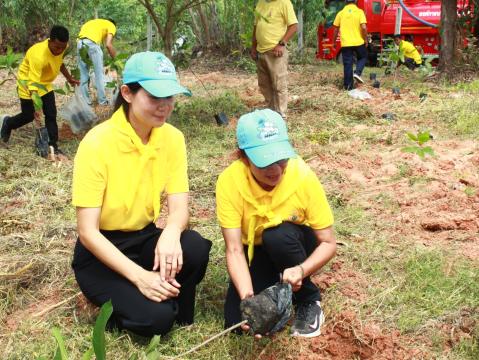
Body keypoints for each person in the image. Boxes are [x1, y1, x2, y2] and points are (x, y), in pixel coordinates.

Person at [71, 51, 211, 337]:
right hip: (100, 252)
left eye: (170, 97)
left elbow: (179, 207)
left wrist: (171, 233)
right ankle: (126, 305)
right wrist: (141, 278)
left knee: (194, 246)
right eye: (154, 98)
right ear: (127, 93)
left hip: (143, 236)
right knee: (157, 321)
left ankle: (168, 303)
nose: (164, 107)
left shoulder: (172, 138)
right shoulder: (97, 143)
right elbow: (88, 232)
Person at [216, 109, 336, 338]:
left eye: (280, 159)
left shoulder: (302, 177)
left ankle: (309, 300)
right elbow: (233, 249)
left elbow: (328, 242)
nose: (275, 169)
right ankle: (278, 287)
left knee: (277, 236)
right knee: (239, 323)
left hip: (292, 242)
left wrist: (301, 269)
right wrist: (248, 299)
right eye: (264, 161)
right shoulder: (229, 182)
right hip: (255, 249)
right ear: (243, 157)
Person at [0, 25, 79, 155]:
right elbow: (33, 83)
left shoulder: (62, 46)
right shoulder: (38, 55)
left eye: (63, 48)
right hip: (28, 83)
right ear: (50, 41)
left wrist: (69, 78)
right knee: (29, 115)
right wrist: (37, 107)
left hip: (45, 85)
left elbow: (60, 62)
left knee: (51, 114)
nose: (60, 50)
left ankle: (52, 145)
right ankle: (8, 123)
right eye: (57, 47)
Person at [250, 0, 298, 119]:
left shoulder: (284, 3)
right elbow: (256, 26)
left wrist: (282, 44)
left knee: (279, 84)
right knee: (264, 84)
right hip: (261, 51)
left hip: (276, 52)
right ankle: (271, 111)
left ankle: (281, 114)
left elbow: (294, 26)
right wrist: (253, 46)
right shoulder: (260, 3)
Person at [77, 18, 117, 105]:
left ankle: (85, 102)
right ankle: (102, 101)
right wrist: (117, 60)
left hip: (80, 43)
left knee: (83, 74)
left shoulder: (92, 22)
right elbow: (108, 45)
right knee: (99, 74)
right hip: (92, 44)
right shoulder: (111, 25)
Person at [332, 0, 368, 90]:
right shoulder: (360, 12)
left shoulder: (340, 13)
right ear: (355, 1)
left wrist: (333, 42)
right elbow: (363, 27)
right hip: (358, 42)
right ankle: (357, 73)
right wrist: (365, 39)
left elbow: (335, 29)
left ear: (345, 2)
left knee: (348, 64)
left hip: (346, 43)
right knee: (363, 57)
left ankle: (348, 87)